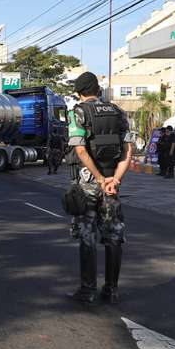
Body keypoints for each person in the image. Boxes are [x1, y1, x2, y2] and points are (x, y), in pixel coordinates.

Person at [66, 72, 134, 304]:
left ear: (79, 92)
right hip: (111, 184)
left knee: (87, 235)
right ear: (98, 90)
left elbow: (81, 151)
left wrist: (98, 179)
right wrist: (114, 179)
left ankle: (88, 290)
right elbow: (127, 151)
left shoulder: (78, 112)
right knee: (114, 235)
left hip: (88, 183)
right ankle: (112, 290)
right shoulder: (118, 112)